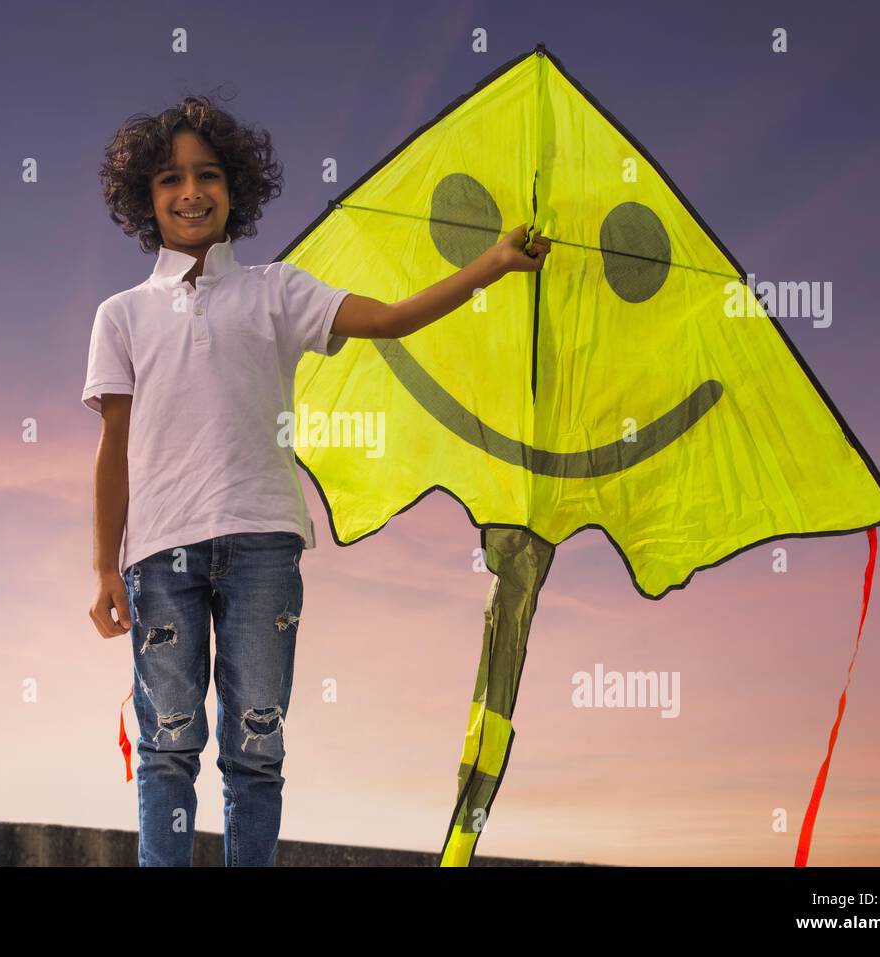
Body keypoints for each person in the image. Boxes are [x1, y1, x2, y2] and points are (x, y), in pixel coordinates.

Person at [84, 93, 549, 867]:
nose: (190, 192)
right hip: (158, 555)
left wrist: (492, 265)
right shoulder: (120, 315)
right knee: (168, 746)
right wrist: (104, 563)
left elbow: (393, 317)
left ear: (236, 188)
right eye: (169, 180)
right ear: (145, 199)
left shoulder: (278, 289)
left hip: (264, 543)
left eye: (206, 175)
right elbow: (112, 446)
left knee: (255, 746)